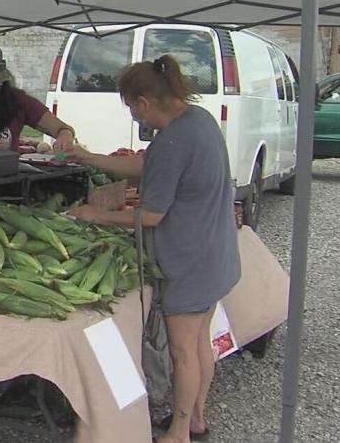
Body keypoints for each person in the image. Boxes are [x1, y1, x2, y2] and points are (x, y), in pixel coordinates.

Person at [66, 55, 241, 443]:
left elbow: (150, 216)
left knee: (182, 351)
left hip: (189, 261)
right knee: (198, 341)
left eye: (131, 107)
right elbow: (150, 166)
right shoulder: (198, 120)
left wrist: (95, 215)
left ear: (144, 103)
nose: (133, 115)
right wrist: (90, 158)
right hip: (215, 253)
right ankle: (195, 419)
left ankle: (178, 433)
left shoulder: (174, 140)